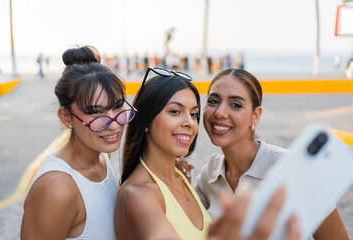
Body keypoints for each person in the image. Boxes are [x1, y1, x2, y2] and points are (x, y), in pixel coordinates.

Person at [114, 67, 300, 240]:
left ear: (256, 115)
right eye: (175, 111)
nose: (190, 123)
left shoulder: (182, 179)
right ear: (146, 119)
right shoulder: (138, 195)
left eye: (194, 114)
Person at [178, 68, 348, 239]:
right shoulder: (210, 172)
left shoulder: (293, 167)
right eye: (213, 101)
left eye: (236, 105)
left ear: (255, 116)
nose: (220, 112)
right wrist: (176, 177)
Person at [21, 46, 137, 240]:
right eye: (95, 112)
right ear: (66, 117)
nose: (113, 123)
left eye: (117, 107)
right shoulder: (56, 187)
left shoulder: (100, 154)